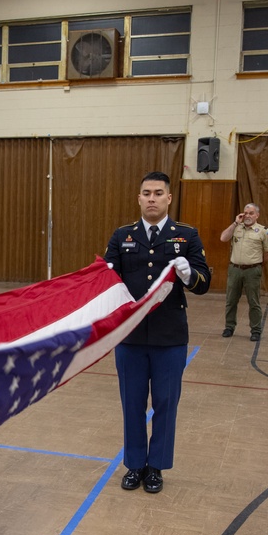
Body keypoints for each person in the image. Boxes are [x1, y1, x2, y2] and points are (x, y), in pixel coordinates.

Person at [104, 171, 210, 494]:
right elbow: (107, 281)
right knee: (132, 403)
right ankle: (135, 464)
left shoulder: (186, 236)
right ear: (139, 198)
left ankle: (156, 467)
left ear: (168, 198)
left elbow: (204, 282)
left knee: (166, 403)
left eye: (158, 193)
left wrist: (190, 274)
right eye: (146, 193)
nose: (152, 198)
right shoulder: (122, 236)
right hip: (131, 338)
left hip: (169, 338)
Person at [219, 203, 268, 341]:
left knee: (253, 301)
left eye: (251, 213)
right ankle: (229, 327)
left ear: (257, 215)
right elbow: (223, 238)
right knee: (231, 300)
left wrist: (257, 263)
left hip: (252, 271)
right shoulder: (237, 228)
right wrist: (235, 222)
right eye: (246, 213)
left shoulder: (263, 231)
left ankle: (255, 330)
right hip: (235, 269)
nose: (247, 216)